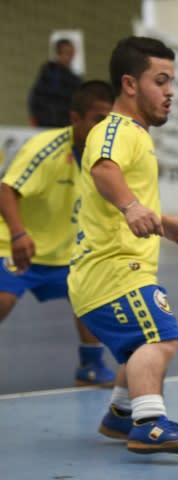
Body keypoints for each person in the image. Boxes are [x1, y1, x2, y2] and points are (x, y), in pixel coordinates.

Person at [68, 36, 178, 454]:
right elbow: (104, 170)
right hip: (111, 267)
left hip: (112, 268)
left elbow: (117, 196)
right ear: (129, 84)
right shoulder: (114, 129)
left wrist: (163, 224)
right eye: (160, 81)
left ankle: (121, 413)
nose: (170, 92)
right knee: (160, 337)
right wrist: (130, 206)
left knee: (138, 343)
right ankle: (150, 423)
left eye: (172, 82)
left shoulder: (134, 133)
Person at [0, 81, 115, 387]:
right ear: (75, 118)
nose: (103, 128)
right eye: (97, 119)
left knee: (91, 296)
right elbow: (6, 189)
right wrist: (18, 233)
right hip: (16, 244)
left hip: (68, 251)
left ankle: (90, 365)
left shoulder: (108, 157)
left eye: (109, 120)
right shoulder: (45, 149)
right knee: (3, 300)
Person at [28, 38, 82, 128]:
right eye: (66, 53)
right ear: (58, 54)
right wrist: (35, 117)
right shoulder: (47, 73)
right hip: (44, 124)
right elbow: (35, 98)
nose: (69, 56)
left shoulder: (75, 80)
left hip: (65, 125)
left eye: (71, 53)